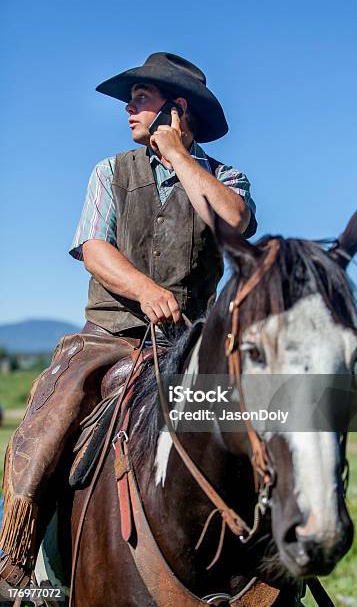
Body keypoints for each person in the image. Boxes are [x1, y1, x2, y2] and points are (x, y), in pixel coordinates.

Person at [0, 52, 257, 588]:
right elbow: (93, 248)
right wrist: (145, 289)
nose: (129, 109)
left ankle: (278, 558)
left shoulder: (224, 176)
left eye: (142, 98)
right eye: (130, 99)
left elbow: (234, 223)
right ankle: (20, 568)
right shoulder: (110, 171)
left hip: (188, 346)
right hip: (108, 339)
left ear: (176, 110)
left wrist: (180, 157)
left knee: (271, 423)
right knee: (49, 423)